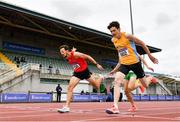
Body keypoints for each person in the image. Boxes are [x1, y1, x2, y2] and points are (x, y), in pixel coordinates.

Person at [106, 21, 158, 114]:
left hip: (135, 63)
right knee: (117, 81)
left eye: (114, 30)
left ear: (119, 29)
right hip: (124, 64)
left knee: (145, 85)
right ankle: (115, 107)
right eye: (111, 31)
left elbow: (142, 43)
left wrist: (150, 56)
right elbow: (120, 55)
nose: (113, 33)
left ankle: (149, 78)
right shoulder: (113, 40)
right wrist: (114, 70)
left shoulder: (127, 36)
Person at [57, 45, 104, 113]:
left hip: (85, 72)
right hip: (77, 73)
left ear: (67, 51)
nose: (61, 53)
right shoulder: (66, 57)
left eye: (62, 51)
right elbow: (71, 55)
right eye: (60, 52)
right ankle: (66, 107)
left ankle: (100, 77)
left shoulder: (76, 54)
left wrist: (97, 64)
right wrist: (72, 50)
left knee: (97, 86)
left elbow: (88, 56)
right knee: (70, 88)